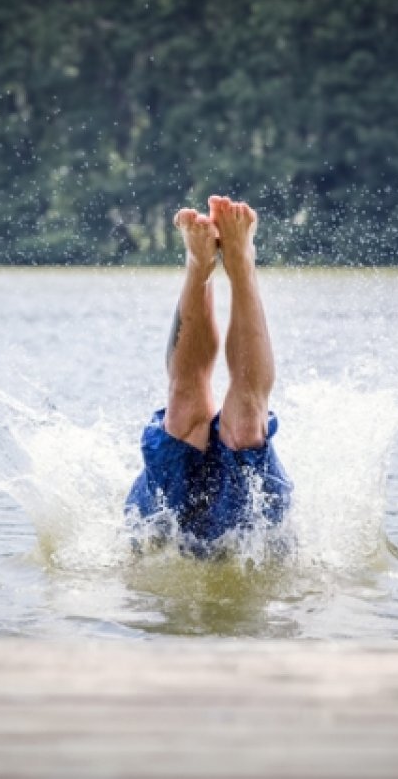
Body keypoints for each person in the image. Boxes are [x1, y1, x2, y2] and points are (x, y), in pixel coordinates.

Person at [124, 196, 292, 555]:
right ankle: (201, 265)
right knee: (188, 412)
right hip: (168, 523)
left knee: (246, 425)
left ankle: (239, 261)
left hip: (251, 529)